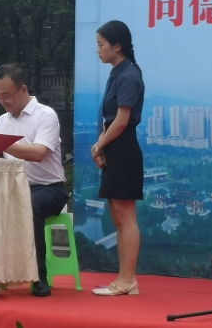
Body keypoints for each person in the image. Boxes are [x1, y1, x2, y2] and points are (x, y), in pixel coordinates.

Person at [0, 64, 69, 297]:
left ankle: (38, 276)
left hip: (49, 188)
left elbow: (39, 153)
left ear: (23, 89)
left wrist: (2, 143)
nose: (3, 101)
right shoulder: (2, 121)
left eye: (7, 95)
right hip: (14, 187)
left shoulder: (45, 115)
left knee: (30, 206)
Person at [91, 20, 144, 296]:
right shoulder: (117, 73)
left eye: (101, 45)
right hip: (114, 147)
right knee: (118, 215)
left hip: (123, 149)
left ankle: (128, 280)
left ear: (117, 46)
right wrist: (101, 147)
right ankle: (124, 279)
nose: (98, 50)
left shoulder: (129, 75)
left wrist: (99, 145)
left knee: (125, 215)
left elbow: (122, 121)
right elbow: (110, 119)